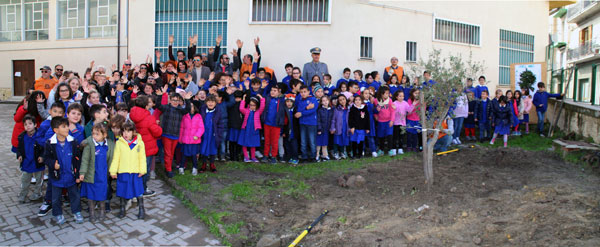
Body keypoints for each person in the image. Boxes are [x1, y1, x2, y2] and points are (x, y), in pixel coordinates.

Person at [44, 117, 83, 225]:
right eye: (64, 127)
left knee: (74, 195)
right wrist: (53, 165)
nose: (67, 129)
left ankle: (77, 211)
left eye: (67, 126)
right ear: (56, 130)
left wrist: (78, 173)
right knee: (56, 198)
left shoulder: (73, 142)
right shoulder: (50, 143)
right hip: (57, 177)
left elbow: (77, 158)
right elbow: (46, 158)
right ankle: (57, 213)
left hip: (71, 175)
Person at [110, 122, 147, 219]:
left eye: (128, 131)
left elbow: (142, 158)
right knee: (122, 190)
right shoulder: (119, 143)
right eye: (124, 131)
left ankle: (141, 208)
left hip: (136, 172)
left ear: (134, 132)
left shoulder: (139, 143)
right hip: (123, 171)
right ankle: (122, 208)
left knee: (138, 190)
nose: (126, 134)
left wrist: (142, 170)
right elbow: (116, 158)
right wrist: (113, 171)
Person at [79, 123, 114, 222]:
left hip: (102, 175)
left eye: (97, 134)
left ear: (105, 135)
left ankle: (102, 210)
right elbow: (85, 160)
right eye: (93, 134)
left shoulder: (110, 145)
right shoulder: (89, 145)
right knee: (91, 194)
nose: (94, 136)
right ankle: (92, 212)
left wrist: (112, 171)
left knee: (102, 193)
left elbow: (112, 159)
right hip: (91, 174)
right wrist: (82, 173)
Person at [129, 95, 162, 195]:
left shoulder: (133, 114)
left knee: (137, 167)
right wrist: (158, 126)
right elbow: (157, 132)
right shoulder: (148, 117)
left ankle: (135, 187)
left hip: (136, 145)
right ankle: (142, 189)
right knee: (144, 169)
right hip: (147, 147)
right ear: (146, 105)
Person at [156, 87, 191, 178]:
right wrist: (159, 96)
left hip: (175, 135)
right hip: (166, 134)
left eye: (177, 100)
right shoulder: (166, 108)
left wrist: (187, 100)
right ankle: (168, 170)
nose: (175, 102)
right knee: (167, 153)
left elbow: (187, 109)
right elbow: (158, 105)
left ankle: (169, 167)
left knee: (171, 153)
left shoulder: (180, 110)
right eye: (173, 100)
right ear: (170, 100)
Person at [17, 115, 45, 203]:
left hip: (37, 163)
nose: (28, 126)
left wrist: (42, 156)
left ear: (35, 125)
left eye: (30, 123)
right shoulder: (21, 137)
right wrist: (19, 155)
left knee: (38, 180)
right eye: (25, 124)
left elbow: (44, 148)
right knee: (25, 180)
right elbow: (19, 149)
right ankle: (23, 194)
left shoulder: (39, 136)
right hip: (26, 162)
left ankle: (37, 193)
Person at [199, 95, 227, 172]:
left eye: (212, 102)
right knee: (204, 148)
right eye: (209, 101)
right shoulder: (202, 110)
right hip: (204, 134)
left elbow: (220, 125)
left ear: (215, 103)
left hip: (213, 134)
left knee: (212, 149)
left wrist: (219, 134)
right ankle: (203, 164)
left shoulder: (218, 112)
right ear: (206, 102)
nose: (210, 103)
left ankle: (212, 164)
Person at [178, 102, 204, 175]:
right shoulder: (185, 116)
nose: (190, 108)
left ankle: (195, 168)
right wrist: (180, 138)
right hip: (186, 139)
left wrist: (197, 135)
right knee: (184, 154)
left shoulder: (198, 116)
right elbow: (182, 128)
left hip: (194, 140)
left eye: (192, 106)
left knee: (194, 155)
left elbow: (201, 128)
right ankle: (181, 167)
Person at [261, 86, 286, 163]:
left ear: (279, 92)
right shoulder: (268, 99)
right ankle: (265, 155)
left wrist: (281, 124)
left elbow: (282, 114)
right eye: (271, 90)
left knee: (274, 142)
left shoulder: (281, 101)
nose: (272, 92)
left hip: (276, 125)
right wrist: (263, 88)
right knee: (267, 141)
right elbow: (263, 95)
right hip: (267, 124)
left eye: (275, 91)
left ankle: (273, 156)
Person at [239, 95, 265, 163]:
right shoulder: (246, 111)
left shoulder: (258, 112)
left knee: (253, 144)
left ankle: (253, 157)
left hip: (254, 130)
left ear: (257, 106)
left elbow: (262, 106)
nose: (252, 106)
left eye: (254, 105)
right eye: (251, 105)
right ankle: (246, 157)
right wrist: (243, 100)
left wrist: (262, 98)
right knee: (244, 143)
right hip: (246, 129)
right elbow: (241, 108)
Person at [295, 85, 319, 162]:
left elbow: (313, 110)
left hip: (311, 123)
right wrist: (306, 108)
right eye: (301, 92)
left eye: (305, 92)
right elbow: (299, 110)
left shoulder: (313, 99)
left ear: (308, 92)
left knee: (312, 141)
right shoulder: (300, 100)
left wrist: (302, 113)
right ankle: (304, 157)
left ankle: (313, 157)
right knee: (303, 141)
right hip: (302, 123)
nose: (303, 93)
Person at [374, 86, 396, 156]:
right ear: (381, 94)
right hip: (381, 122)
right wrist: (376, 116)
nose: (387, 95)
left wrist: (392, 120)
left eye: (388, 93)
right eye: (385, 93)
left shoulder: (389, 100)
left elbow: (392, 111)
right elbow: (374, 111)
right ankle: (381, 150)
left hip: (388, 121)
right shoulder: (376, 101)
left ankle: (390, 150)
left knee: (389, 136)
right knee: (381, 136)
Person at [349, 95, 370, 159]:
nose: (357, 101)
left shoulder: (364, 109)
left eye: (359, 100)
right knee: (354, 142)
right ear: (354, 101)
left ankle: (360, 154)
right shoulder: (352, 109)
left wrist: (367, 128)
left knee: (361, 142)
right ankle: (354, 154)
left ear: (361, 101)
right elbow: (350, 119)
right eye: (356, 100)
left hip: (362, 128)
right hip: (355, 128)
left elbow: (367, 119)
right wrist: (352, 127)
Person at [330, 94, 350, 159]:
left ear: (346, 99)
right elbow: (333, 120)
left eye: (343, 99)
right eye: (340, 100)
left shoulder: (348, 109)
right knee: (337, 141)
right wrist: (332, 128)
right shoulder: (336, 109)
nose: (342, 101)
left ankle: (342, 152)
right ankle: (335, 152)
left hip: (345, 127)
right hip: (338, 127)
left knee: (343, 140)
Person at [227, 91, 244, 161]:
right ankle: (232, 156)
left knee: (237, 143)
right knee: (232, 142)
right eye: (236, 98)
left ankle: (236, 156)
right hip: (232, 126)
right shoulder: (231, 104)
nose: (237, 99)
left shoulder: (243, 104)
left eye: (239, 98)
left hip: (239, 126)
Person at [392, 90, 411, 155]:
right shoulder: (394, 103)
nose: (402, 97)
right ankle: (394, 149)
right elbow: (393, 112)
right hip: (395, 123)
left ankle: (400, 149)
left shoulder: (405, 103)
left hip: (403, 123)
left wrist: (413, 105)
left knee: (401, 137)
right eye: (400, 96)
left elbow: (409, 110)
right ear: (397, 97)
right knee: (395, 137)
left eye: (403, 96)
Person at [316, 96, 333, 161]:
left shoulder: (331, 110)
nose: (325, 102)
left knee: (325, 143)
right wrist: (319, 128)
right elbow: (318, 120)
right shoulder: (320, 110)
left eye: (326, 100)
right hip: (321, 129)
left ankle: (325, 154)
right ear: (321, 102)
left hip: (327, 129)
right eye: (323, 101)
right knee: (319, 143)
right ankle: (317, 155)